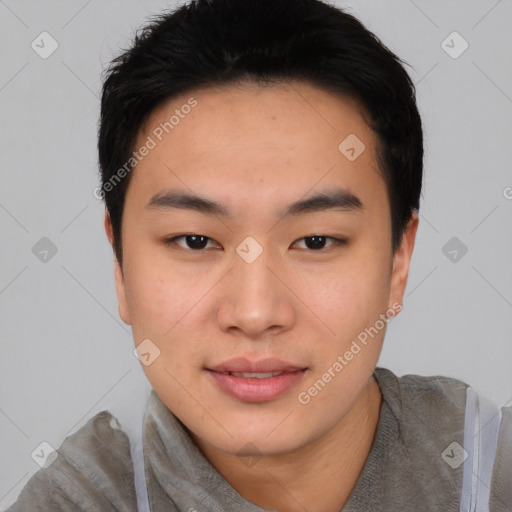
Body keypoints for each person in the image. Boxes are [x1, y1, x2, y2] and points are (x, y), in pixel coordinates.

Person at [7, 0, 511, 510]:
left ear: (398, 260)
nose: (254, 313)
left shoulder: (491, 472)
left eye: (315, 241)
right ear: (120, 267)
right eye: (195, 241)